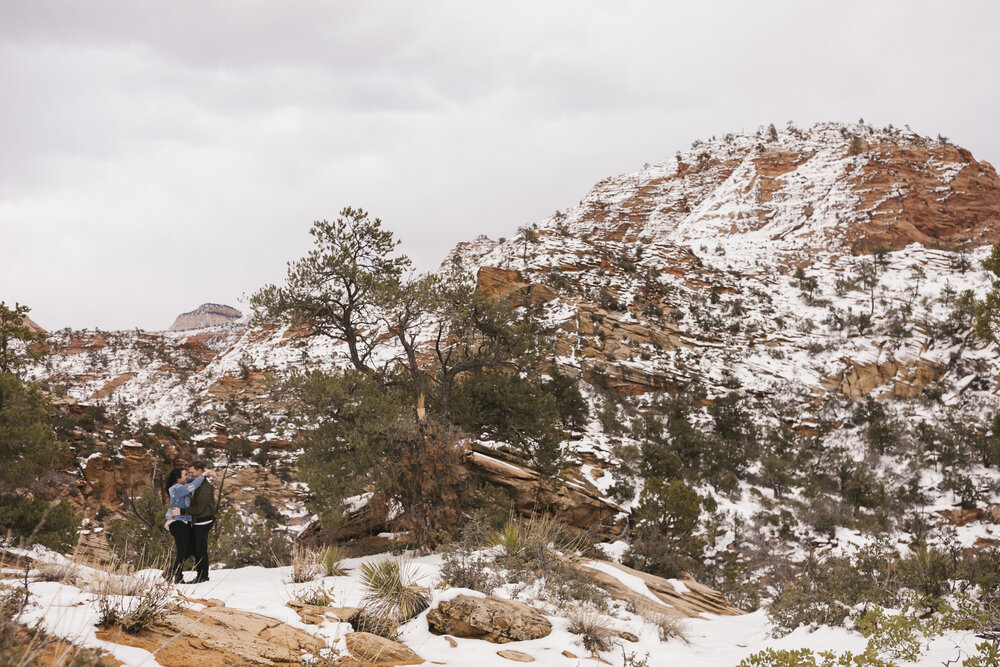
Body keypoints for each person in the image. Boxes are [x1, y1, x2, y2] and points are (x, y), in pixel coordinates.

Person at [164, 466, 209, 583]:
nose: (188, 476)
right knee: (182, 550)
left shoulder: (181, 485)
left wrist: (196, 477)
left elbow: (191, 481)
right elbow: (193, 485)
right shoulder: (176, 488)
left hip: (184, 522)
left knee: (189, 549)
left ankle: (171, 571)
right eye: (185, 475)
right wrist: (204, 474)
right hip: (177, 522)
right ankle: (178, 576)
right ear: (178, 478)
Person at [186, 461, 217, 584]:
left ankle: (203, 576)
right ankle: (201, 574)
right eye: (189, 472)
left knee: (200, 549)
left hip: (203, 521)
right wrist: (206, 473)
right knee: (197, 548)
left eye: (192, 472)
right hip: (199, 520)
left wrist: (183, 511)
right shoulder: (196, 483)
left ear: (199, 471)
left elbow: (199, 508)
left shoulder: (205, 488)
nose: (190, 475)